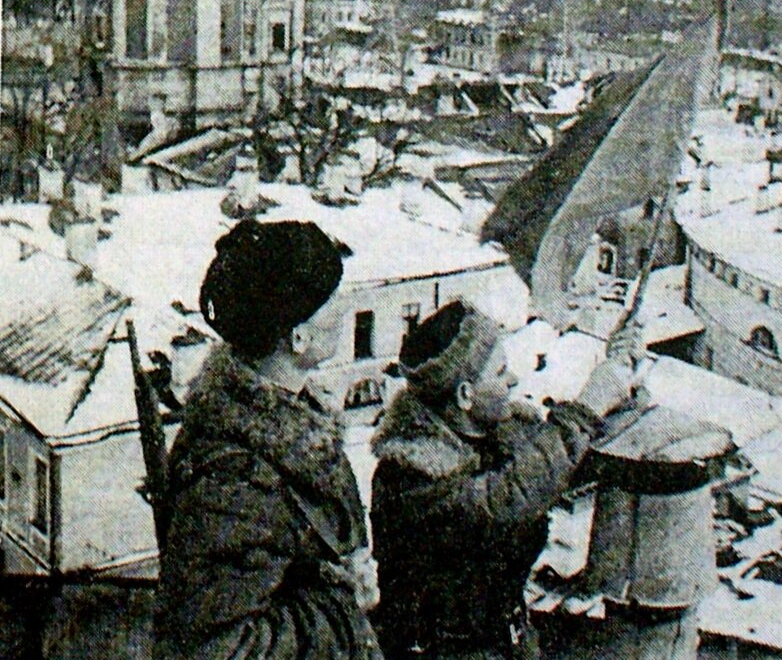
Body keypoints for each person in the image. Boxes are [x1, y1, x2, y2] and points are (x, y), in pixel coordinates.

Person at [155, 219, 380, 660]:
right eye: (330, 298)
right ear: (299, 337)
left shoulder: (293, 419)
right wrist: (339, 608)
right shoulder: (236, 480)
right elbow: (217, 647)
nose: (344, 304)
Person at [370, 301, 637, 660]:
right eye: (499, 372)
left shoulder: (499, 433)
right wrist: (587, 407)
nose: (512, 379)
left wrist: (618, 371)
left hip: (508, 641)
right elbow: (507, 496)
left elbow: (563, 464)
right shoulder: (410, 477)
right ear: (465, 395)